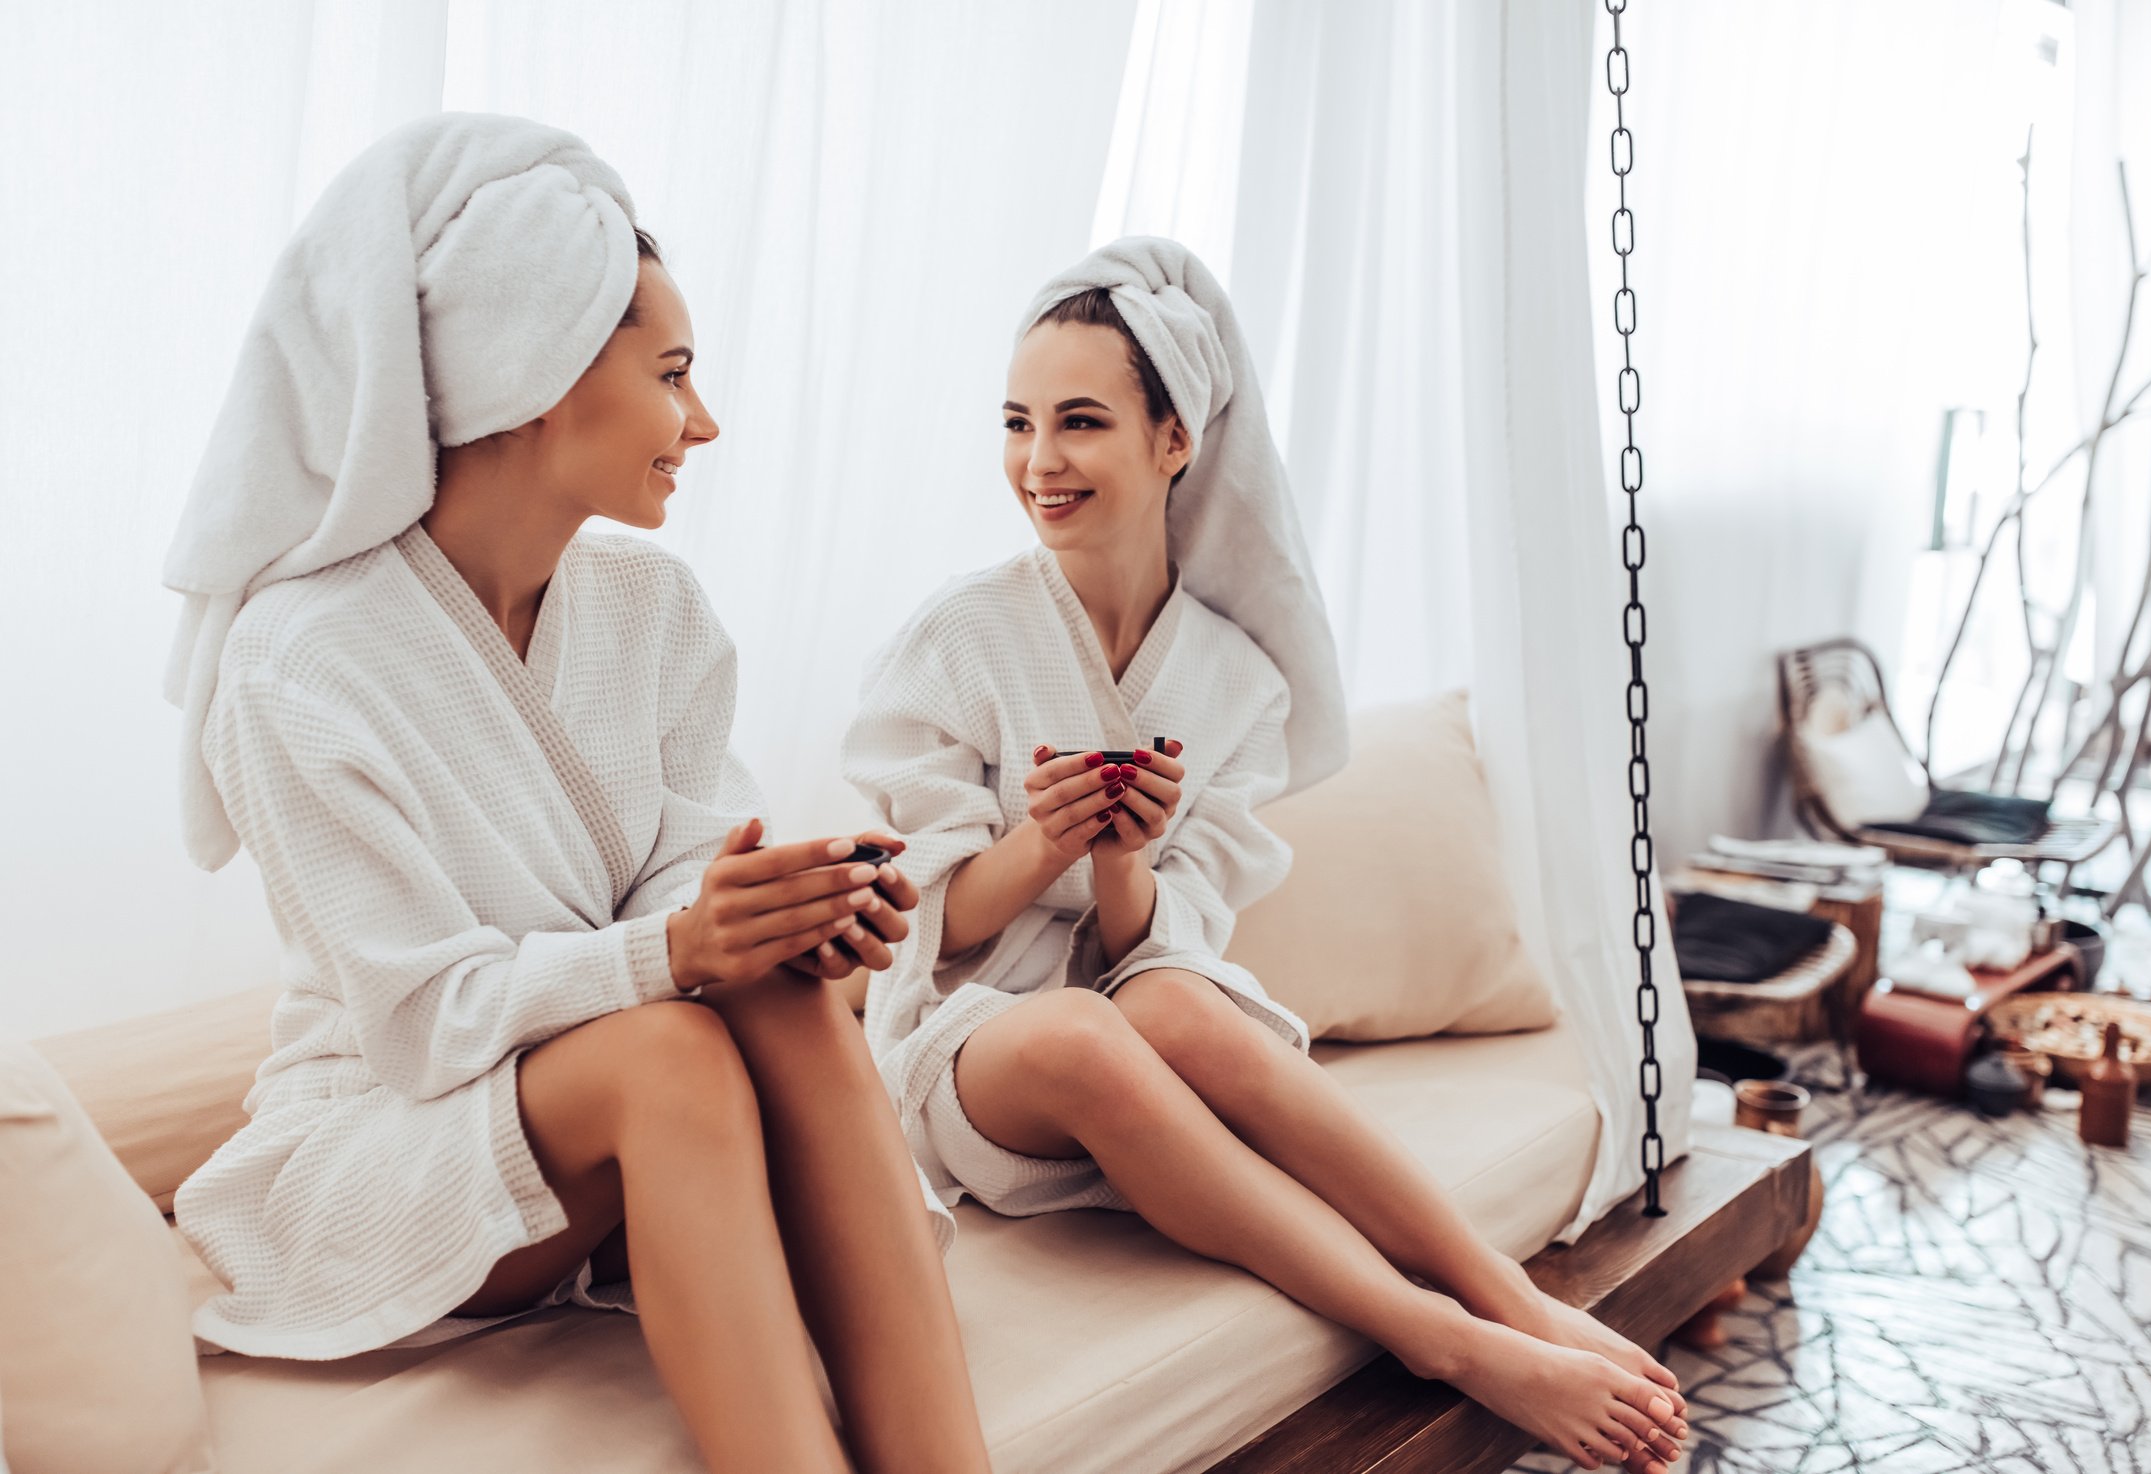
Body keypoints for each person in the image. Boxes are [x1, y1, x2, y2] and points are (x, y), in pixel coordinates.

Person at [164, 113, 987, 1474]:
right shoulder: (298, 661)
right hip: (385, 1135)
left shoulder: (654, 606)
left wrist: (774, 916)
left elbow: (683, 877)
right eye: (673, 374)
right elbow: (426, 1025)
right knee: (668, 1045)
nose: (703, 421)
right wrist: (674, 949)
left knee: (766, 991)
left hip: (604, 1118)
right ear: (536, 370)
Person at [844, 237, 1688, 1474]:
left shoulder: (1234, 679)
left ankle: (1503, 1292)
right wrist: (1043, 842)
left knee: (1174, 1003)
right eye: (1019, 421)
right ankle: (1444, 1336)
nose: (1039, 461)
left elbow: (1158, 948)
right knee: (1087, 1032)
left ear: (1175, 439)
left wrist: (1126, 858)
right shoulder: (960, 636)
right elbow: (932, 927)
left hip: (1142, 1026)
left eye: (1080, 422)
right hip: (975, 1054)